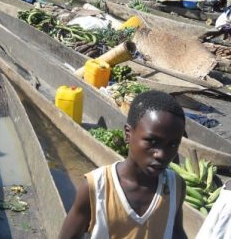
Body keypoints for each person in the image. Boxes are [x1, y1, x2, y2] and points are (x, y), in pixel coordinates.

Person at [59, 90, 188, 239]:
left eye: (172, 145)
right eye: (152, 141)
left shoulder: (175, 187)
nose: (162, 154)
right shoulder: (97, 187)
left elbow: (176, 232)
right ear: (128, 134)